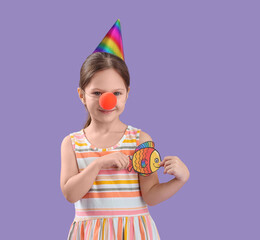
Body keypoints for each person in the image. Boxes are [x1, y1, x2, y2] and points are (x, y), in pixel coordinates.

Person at [60, 20, 190, 240]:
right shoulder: (72, 143)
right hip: (90, 234)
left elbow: (150, 195)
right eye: (97, 93)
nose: (107, 101)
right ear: (82, 95)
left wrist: (180, 180)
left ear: (127, 93)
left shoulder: (140, 139)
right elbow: (70, 194)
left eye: (116, 93)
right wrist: (99, 163)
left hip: (134, 233)